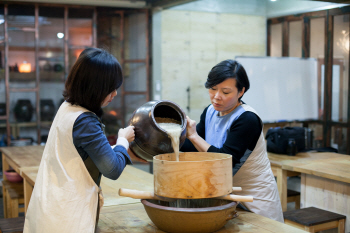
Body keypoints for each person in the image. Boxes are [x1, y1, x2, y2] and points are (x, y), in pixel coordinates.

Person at [24, 48, 145, 233]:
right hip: (67, 218)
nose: (115, 94)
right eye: (110, 88)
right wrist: (123, 141)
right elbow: (112, 169)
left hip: (51, 207)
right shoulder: (85, 121)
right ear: (94, 87)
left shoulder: (68, 107)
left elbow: (84, 152)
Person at [181, 59, 283, 223]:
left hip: (255, 199)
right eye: (213, 89)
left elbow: (225, 160)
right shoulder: (210, 112)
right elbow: (194, 147)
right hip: (225, 194)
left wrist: (193, 136)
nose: (216, 97)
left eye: (226, 92)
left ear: (241, 92)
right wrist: (169, 139)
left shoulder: (247, 119)